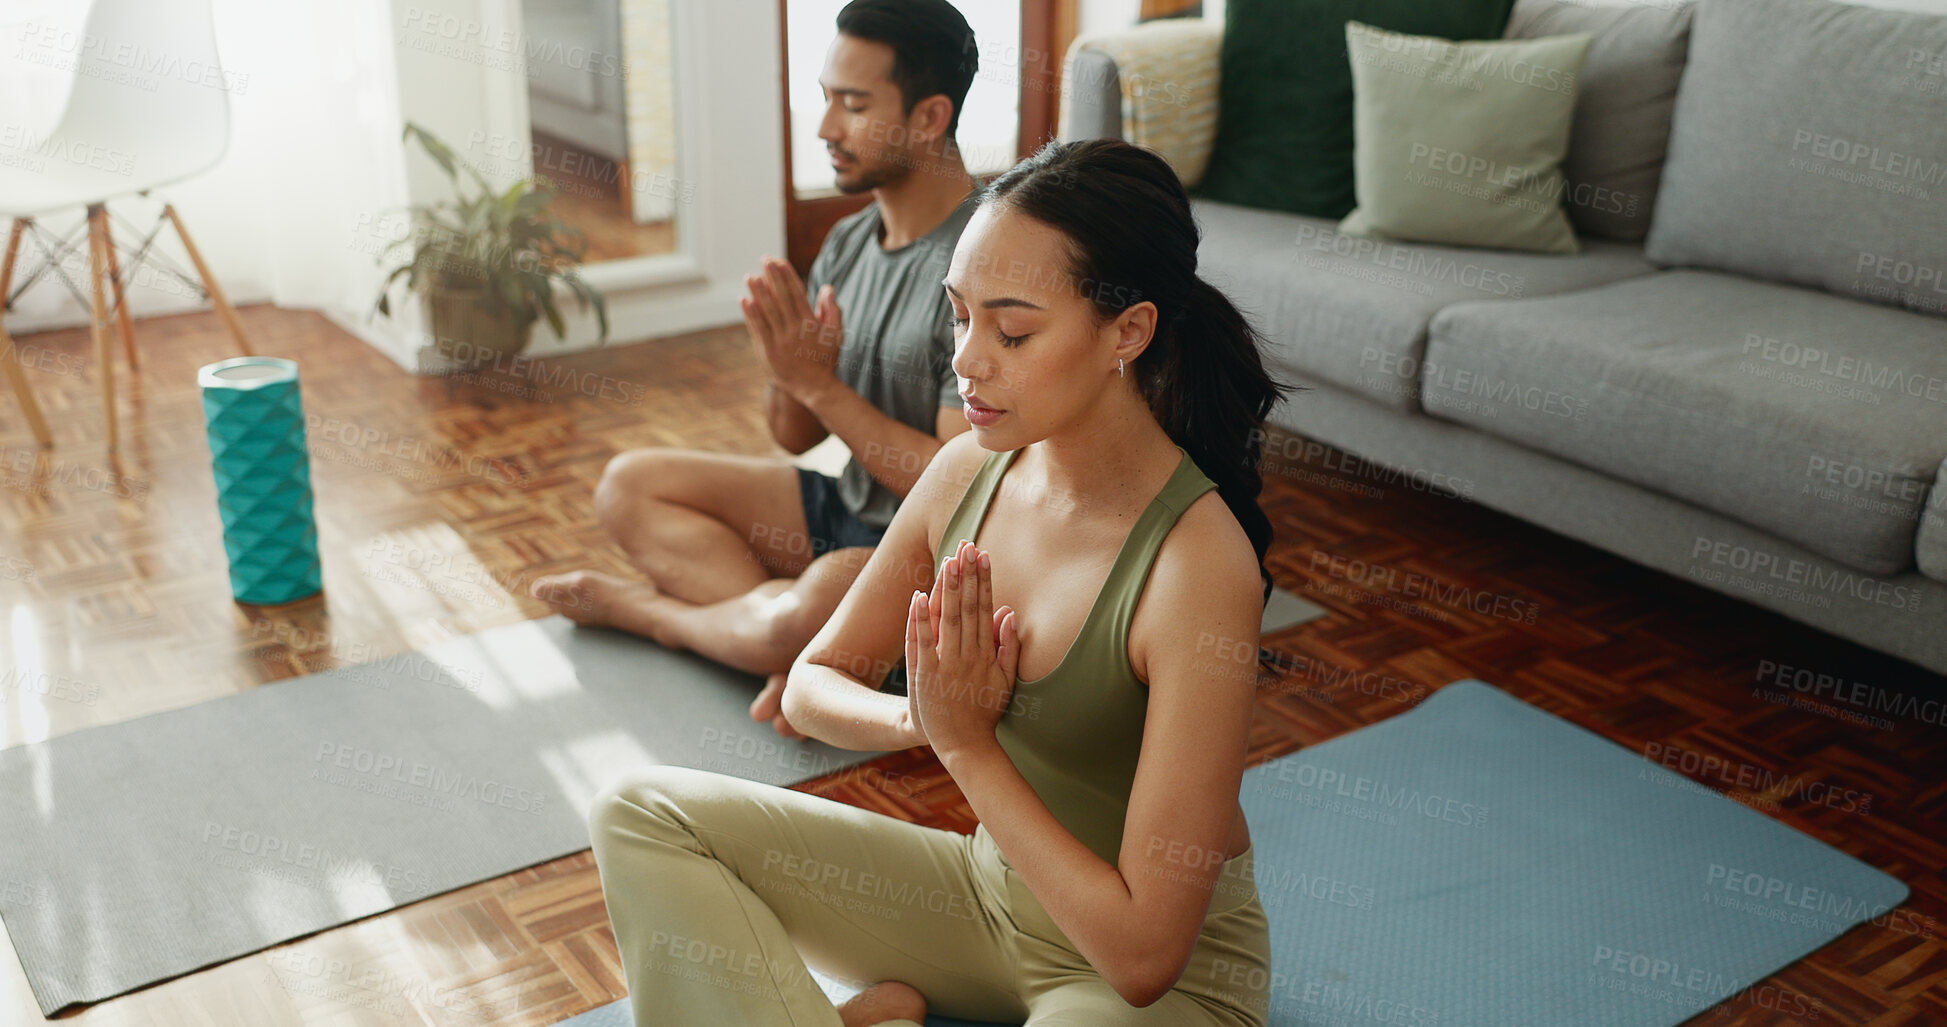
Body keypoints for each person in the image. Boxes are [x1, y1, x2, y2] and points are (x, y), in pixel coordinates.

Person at [588, 138, 1295, 1026]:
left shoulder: (1197, 566)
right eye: (958, 317)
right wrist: (919, 717)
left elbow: (1143, 954)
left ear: (1128, 331)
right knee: (641, 811)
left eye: (1013, 330)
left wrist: (967, 746)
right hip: (983, 901)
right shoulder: (967, 470)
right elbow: (810, 686)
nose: (967, 359)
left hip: (1142, 985)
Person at [531, 0, 982, 738]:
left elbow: (953, 488)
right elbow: (792, 435)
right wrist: (788, 368)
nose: (825, 128)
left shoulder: (982, 259)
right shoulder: (846, 242)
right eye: (825, 98)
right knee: (630, 485)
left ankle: (663, 617)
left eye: (854, 104)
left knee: (806, 608)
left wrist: (817, 382)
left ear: (930, 117)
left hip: (924, 550)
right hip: (846, 504)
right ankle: (788, 649)